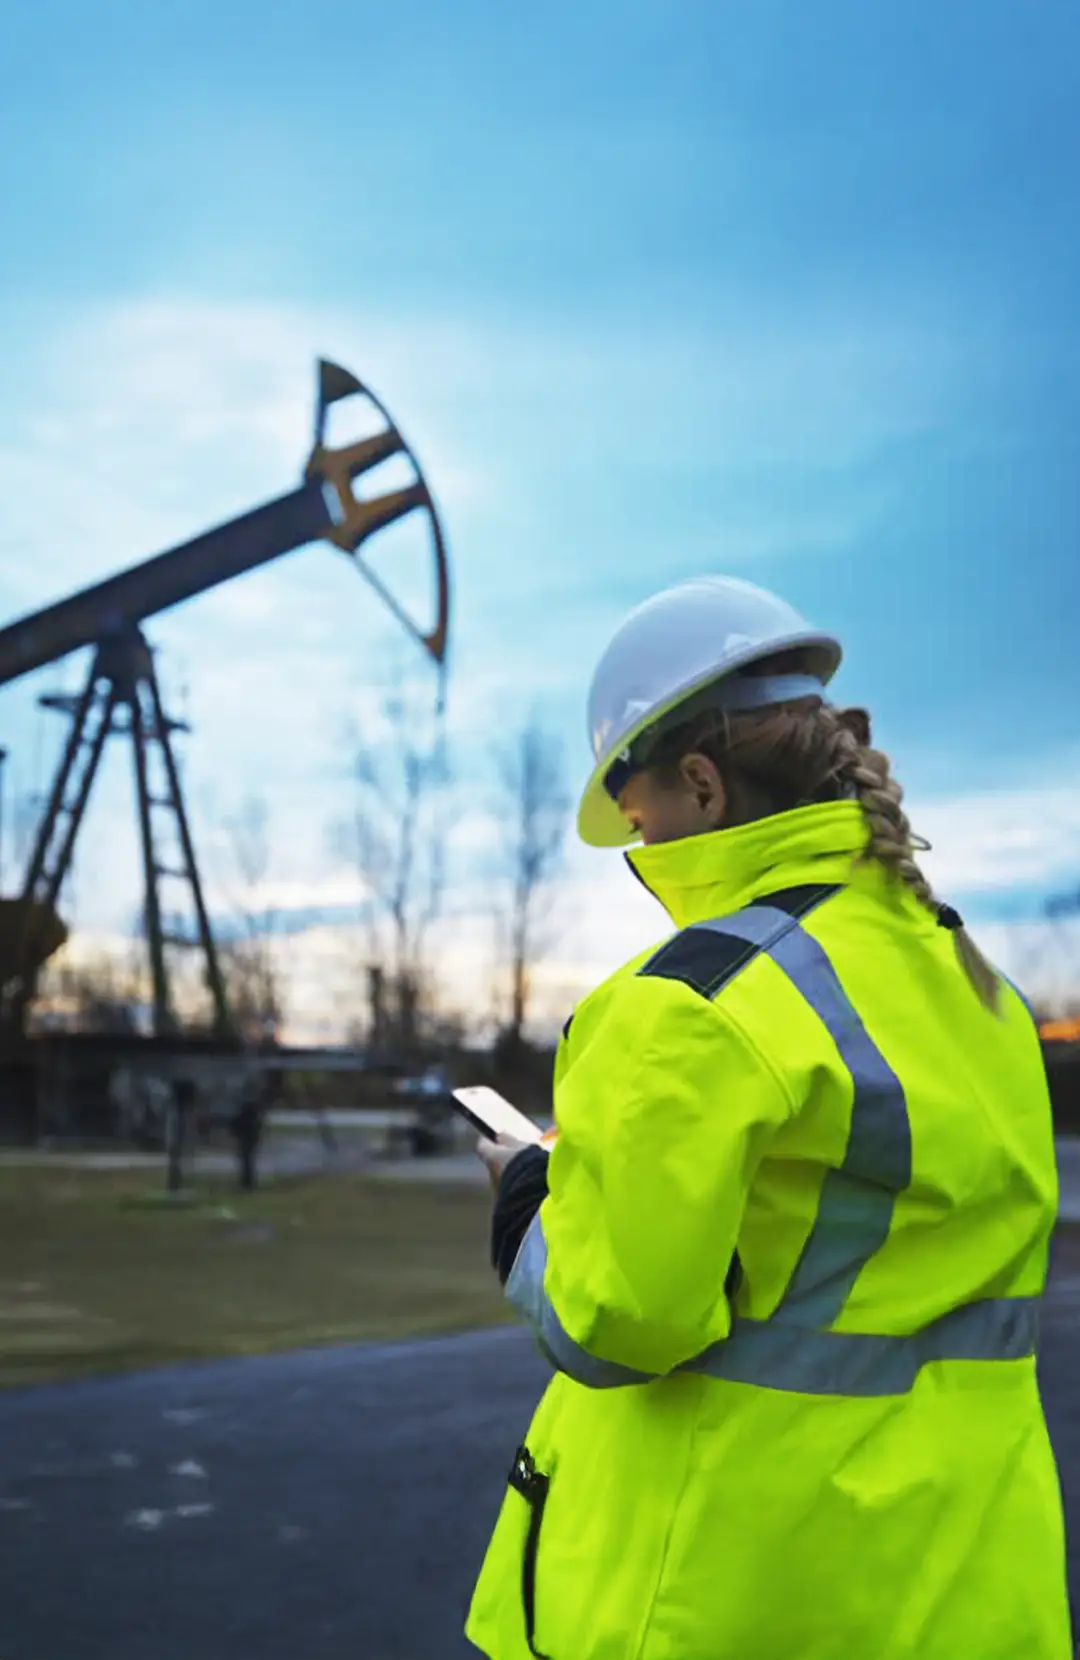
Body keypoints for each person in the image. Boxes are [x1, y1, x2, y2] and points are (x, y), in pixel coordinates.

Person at [467, 575, 1070, 1660]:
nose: (636, 845)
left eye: (636, 815)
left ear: (698, 782)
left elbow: (621, 1318)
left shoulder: (689, 1004)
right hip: (967, 1591)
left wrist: (525, 1197)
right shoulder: (980, 988)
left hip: (735, 1593)